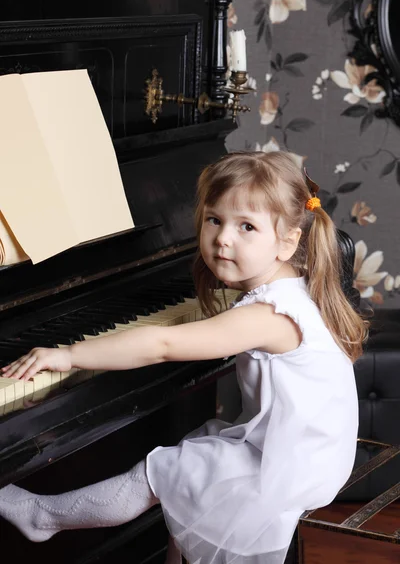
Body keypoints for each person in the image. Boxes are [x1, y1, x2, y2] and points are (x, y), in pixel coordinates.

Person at [0, 151, 367, 564]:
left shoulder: (269, 316)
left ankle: (42, 517)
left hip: (288, 468)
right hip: (309, 454)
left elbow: (162, 344)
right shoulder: (291, 287)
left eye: (246, 226)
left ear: (287, 242)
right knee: (187, 480)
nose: (223, 238)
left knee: (161, 474)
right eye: (214, 219)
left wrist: (69, 355)